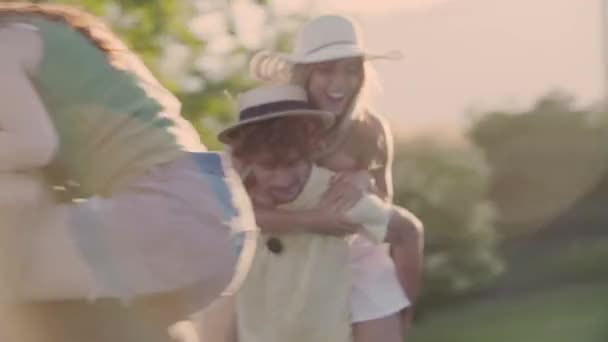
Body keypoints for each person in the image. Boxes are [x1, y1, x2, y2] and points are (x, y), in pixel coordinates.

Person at [0, 3, 256, 342]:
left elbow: (34, 144)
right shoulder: (42, 32)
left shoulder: (6, 43)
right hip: (219, 215)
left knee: (14, 259)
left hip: (166, 211)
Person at [248, 14, 423, 337]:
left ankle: (405, 314)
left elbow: (383, 204)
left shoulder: (370, 129)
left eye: (350, 70)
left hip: (355, 253)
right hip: (291, 252)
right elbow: (243, 210)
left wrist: (364, 185)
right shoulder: (278, 127)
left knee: (408, 233)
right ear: (304, 74)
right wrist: (312, 220)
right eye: (326, 70)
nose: (339, 83)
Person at [215, 84, 413, 342]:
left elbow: (407, 231)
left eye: (292, 162)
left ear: (312, 150)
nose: (283, 179)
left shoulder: (335, 196)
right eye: (269, 166)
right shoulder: (234, 200)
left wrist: (406, 310)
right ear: (247, 159)